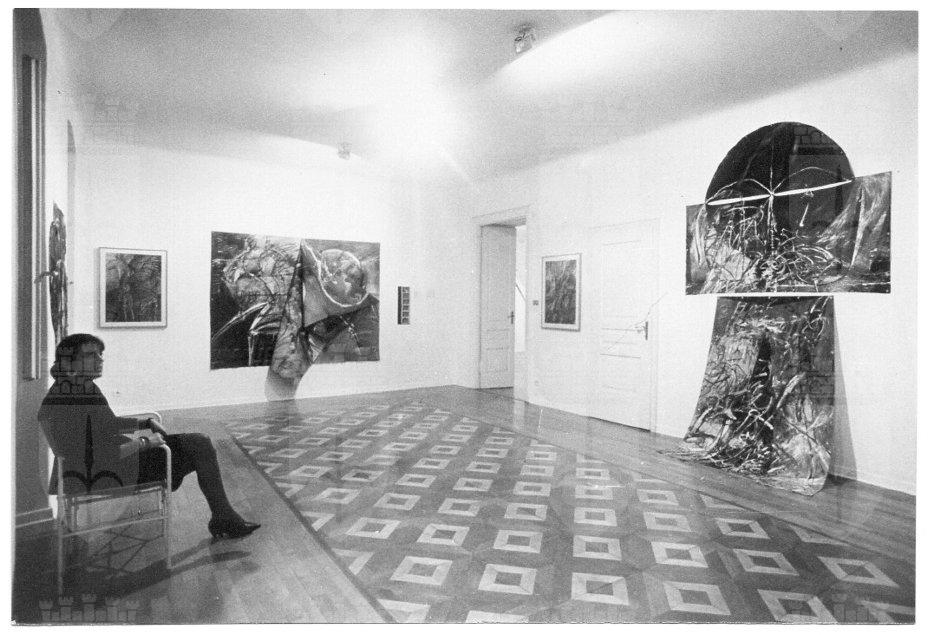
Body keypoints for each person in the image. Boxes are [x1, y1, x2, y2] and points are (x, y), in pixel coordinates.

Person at [39, 333, 260, 540]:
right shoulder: (71, 400)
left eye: (100, 354)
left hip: (109, 466)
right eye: (90, 355)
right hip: (110, 473)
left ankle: (223, 516)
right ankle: (223, 517)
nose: (99, 360)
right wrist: (144, 442)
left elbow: (105, 425)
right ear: (69, 363)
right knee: (199, 445)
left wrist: (144, 423)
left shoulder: (76, 390)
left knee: (197, 445)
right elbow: (96, 456)